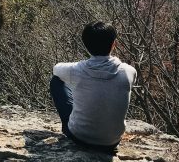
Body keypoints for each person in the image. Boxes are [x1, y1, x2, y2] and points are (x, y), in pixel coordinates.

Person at [50, 21, 137, 151]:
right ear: (114, 44)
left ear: (86, 45)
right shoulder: (129, 71)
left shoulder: (76, 70)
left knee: (56, 81)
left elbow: (56, 69)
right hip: (112, 141)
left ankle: (75, 123)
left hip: (79, 137)